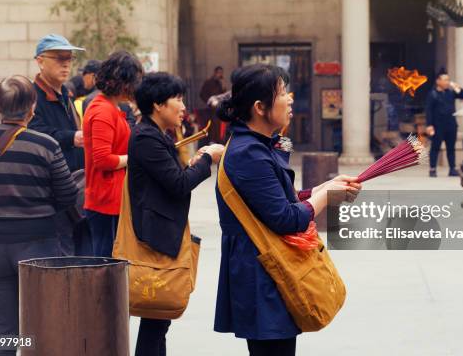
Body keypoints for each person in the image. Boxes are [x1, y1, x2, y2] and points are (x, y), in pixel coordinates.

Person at [214, 64, 361, 356]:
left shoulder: (257, 145)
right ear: (259, 107)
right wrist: (325, 197)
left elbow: (279, 199)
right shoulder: (249, 153)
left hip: (268, 269)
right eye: (282, 92)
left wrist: (322, 189)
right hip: (262, 273)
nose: (291, 98)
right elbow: (285, 218)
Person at [0, 75, 78, 356]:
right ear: (32, 107)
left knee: (3, 330)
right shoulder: (46, 145)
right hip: (38, 244)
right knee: (43, 326)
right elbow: (67, 196)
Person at [128, 72, 225, 356]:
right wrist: (207, 158)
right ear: (158, 104)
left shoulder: (155, 134)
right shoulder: (147, 137)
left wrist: (195, 164)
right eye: (178, 99)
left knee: (159, 319)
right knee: (157, 317)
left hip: (161, 232)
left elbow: (172, 178)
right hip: (154, 237)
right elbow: (179, 185)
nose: (183, 106)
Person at [83, 51, 142, 257]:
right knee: (106, 264)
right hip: (106, 199)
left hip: (111, 197)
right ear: (124, 82)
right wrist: (132, 159)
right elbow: (102, 160)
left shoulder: (109, 107)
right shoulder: (103, 111)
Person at [29, 33, 85, 172]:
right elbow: (34, 133)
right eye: (60, 58)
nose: (66, 64)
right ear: (40, 62)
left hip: (75, 179)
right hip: (49, 181)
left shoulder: (67, 94)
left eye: (69, 58)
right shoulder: (30, 96)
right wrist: (71, 137)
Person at [425, 69, 463, 177]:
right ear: (438, 81)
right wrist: (429, 125)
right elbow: (428, 110)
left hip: (451, 124)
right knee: (435, 147)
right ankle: (432, 169)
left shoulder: (451, 92)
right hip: (437, 125)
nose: (447, 82)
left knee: (451, 147)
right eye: (445, 80)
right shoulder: (432, 94)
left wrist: (456, 87)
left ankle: (452, 169)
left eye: (448, 80)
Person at [199, 66, 226, 143]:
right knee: (212, 125)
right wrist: (209, 102)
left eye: (221, 73)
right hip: (210, 108)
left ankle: (218, 140)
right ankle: (211, 140)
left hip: (218, 108)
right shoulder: (208, 82)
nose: (220, 75)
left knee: (218, 126)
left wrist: (223, 85)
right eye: (218, 73)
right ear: (215, 73)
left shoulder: (220, 83)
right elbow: (202, 94)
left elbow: (224, 95)